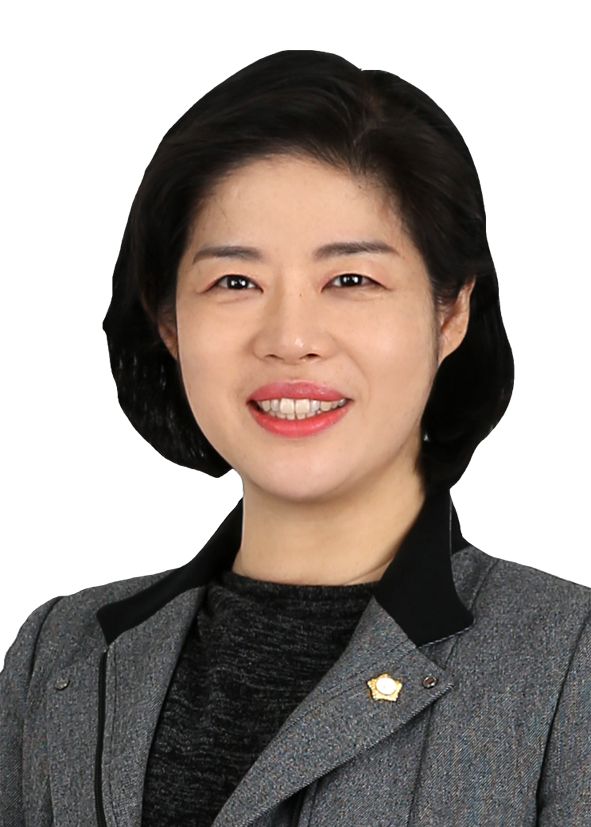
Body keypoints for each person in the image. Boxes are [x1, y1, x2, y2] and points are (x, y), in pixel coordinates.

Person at [1, 49, 589, 827]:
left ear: (448, 313)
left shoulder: (567, 662)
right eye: (235, 282)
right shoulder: (58, 654)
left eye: (350, 280)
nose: (290, 338)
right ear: (169, 320)